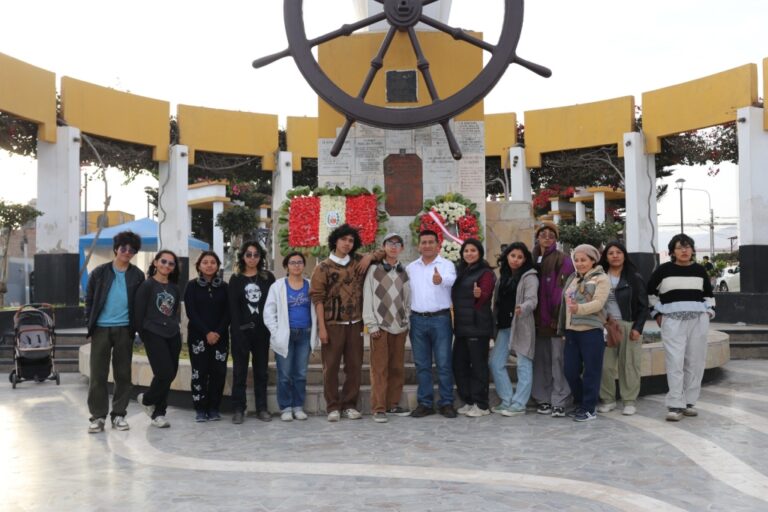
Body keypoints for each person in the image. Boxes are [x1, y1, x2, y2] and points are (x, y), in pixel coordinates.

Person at [310, 224, 380, 422]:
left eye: (351, 241)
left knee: (354, 366)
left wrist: (369, 257)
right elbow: (317, 299)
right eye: (344, 239)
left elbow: (383, 252)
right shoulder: (322, 267)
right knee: (330, 367)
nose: (347, 244)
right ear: (335, 240)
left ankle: (350, 404)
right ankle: (332, 406)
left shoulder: (359, 262)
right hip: (332, 325)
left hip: (355, 324)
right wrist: (322, 328)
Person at [647, 234, 715, 421]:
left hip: (698, 321)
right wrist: (657, 314)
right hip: (672, 321)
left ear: (692, 250)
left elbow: (709, 296)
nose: (684, 250)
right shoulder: (663, 270)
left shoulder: (700, 270)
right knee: (675, 361)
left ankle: (690, 402)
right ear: (672, 251)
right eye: (679, 247)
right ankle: (675, 404)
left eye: (687, 247)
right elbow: (651, 294)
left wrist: (708, 313)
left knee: (695, 361)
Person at [85, 231, 144, 434]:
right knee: (98, 375)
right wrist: (90, 325)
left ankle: (119, 415)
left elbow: (139, 305)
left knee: (123, 375)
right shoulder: (99, 272)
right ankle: (98, 417)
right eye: (124, 248)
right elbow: (90, 301)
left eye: (132, 250)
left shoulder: (137, 275)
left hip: (125, 329)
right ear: (116, 249)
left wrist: (136, 329)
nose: (127, 252)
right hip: (101, 328)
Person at [406, 230, 458, 419]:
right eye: (423, 242)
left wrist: (441, 280)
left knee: (444, 363)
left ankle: (446, 402)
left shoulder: (446, 265)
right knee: (422, 364)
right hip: (417, 319)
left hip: (440, 320)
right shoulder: (411, 268)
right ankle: (425, 403)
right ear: (418, 246)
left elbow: (452, 280)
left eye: (430, 242)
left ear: (438, 245)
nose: (427, 245)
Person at [264, 251, 319, 422]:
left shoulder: (310, 285)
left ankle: (298, 406)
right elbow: (269, 311)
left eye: (300, 262)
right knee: (285, 373)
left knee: (301, 373)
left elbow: (317, 310)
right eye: (293, 262)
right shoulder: (278, 286)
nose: (296, 265)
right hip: (286, 336)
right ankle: (286, 407)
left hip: (305, 334)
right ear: (286, 266)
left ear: (303, 265)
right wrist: (276, 332)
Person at [363, 233, 412, 423]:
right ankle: (379, 408)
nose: (393, 246)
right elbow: (367, 298)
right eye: (389, 243)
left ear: (401, 248)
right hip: (380, 327)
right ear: (383, 247)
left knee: (397, 367)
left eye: (397, 244)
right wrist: (371, 324)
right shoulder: (374, 270)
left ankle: (393, 404)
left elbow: (407, 298)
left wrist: (406, 320)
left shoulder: (404, 272)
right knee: (379, 368)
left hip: (399, 327)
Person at [558, 244, 610, 422]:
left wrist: (579, 308)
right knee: (570, 371)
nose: (579, 264)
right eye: (577, 260)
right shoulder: (573, 278)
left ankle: (589, 408)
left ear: (593, 260)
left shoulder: (601, 278)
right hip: (572, 332)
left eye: (584, 260)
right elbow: (566, 306)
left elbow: (598, 303)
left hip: (591, 331)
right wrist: (565, 327)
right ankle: (580, 403)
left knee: (591, 372)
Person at [596, 242, 648, 416]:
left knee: (629, 365)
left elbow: (643, 306)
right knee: (605, 365)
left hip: (628, 324)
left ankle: (629, 401)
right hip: (607, 326)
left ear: (624, 255)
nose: (615, 256)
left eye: (618, 252)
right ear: (606, 257)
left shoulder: (634, 277)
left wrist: (638, 328)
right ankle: (608, 399)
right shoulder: (599, 276)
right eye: (611, 253)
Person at [489, 242, 539, 417]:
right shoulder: (502, 276)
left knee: (523, 364)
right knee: (495, 363)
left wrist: (523, 307)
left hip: (522, 326)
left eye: (520, 257)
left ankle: (519, 404)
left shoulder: (530, 277)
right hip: (504, 326)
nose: (516, 260)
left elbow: (532, 300)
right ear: (507, 256)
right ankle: (507, 400)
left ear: (525, 259)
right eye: (513, 256)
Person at [228, 241, 275, 424]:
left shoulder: (267, 278)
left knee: (261, 371)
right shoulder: (236, 278)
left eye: (256, 255)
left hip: (262, 333)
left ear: (260, 257)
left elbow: (272, 305)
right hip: (241, 332)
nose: (252, 258)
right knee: (239, 371)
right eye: (249, 254)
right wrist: (237, 331)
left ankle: (262, 408)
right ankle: (239, 408)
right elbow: (233, 308)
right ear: (242, 257)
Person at [531, 221, 574, 417]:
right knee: (541, 360)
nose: (547, 238)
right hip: (535, 319)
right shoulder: (531, 258)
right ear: (537, 237)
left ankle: (560, 398)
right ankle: (543, 398)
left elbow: (563, 291)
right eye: (543, 234)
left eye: (551, 235)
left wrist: (558, 317)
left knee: (558, 359)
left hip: (554, 319)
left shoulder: (562, 259)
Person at [135, 250, 182, 429]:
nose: (166, 265)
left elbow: (174, 311)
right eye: (163, 261)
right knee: (164, 372)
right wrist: (144, 335)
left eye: (171, 263)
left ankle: (159, 413)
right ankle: (147, 399)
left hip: (172, 334)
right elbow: (138, 315)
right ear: (155, 262)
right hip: (153, 333)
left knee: (169, 374)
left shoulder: (175, 288)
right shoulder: (147, 285)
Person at [452, 239, 496, 417]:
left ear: (479, 253)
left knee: (478, 366)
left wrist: (480, 294)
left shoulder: (485, 273)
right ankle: (469, 400)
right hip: (462, 327)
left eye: (473, 250)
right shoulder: (462, 271)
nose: (469, 253)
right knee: (459, 364)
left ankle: (482, 404)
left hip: (478, 326)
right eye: (466, 251)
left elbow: (485, 294)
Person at [184, 250, 229, 422]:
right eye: (205, 262)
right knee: (199, 372)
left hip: (221, 337)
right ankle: (200, 409)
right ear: (199, 266)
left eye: (213, 262)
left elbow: (228, 313)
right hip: (198, 337)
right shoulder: (191, 286)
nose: (209, 265)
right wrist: (207, 332)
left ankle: (214, 408)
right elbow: (191, 312)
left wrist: (217, 332)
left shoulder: (224, 287)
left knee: (218, 372)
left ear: (217, 266)